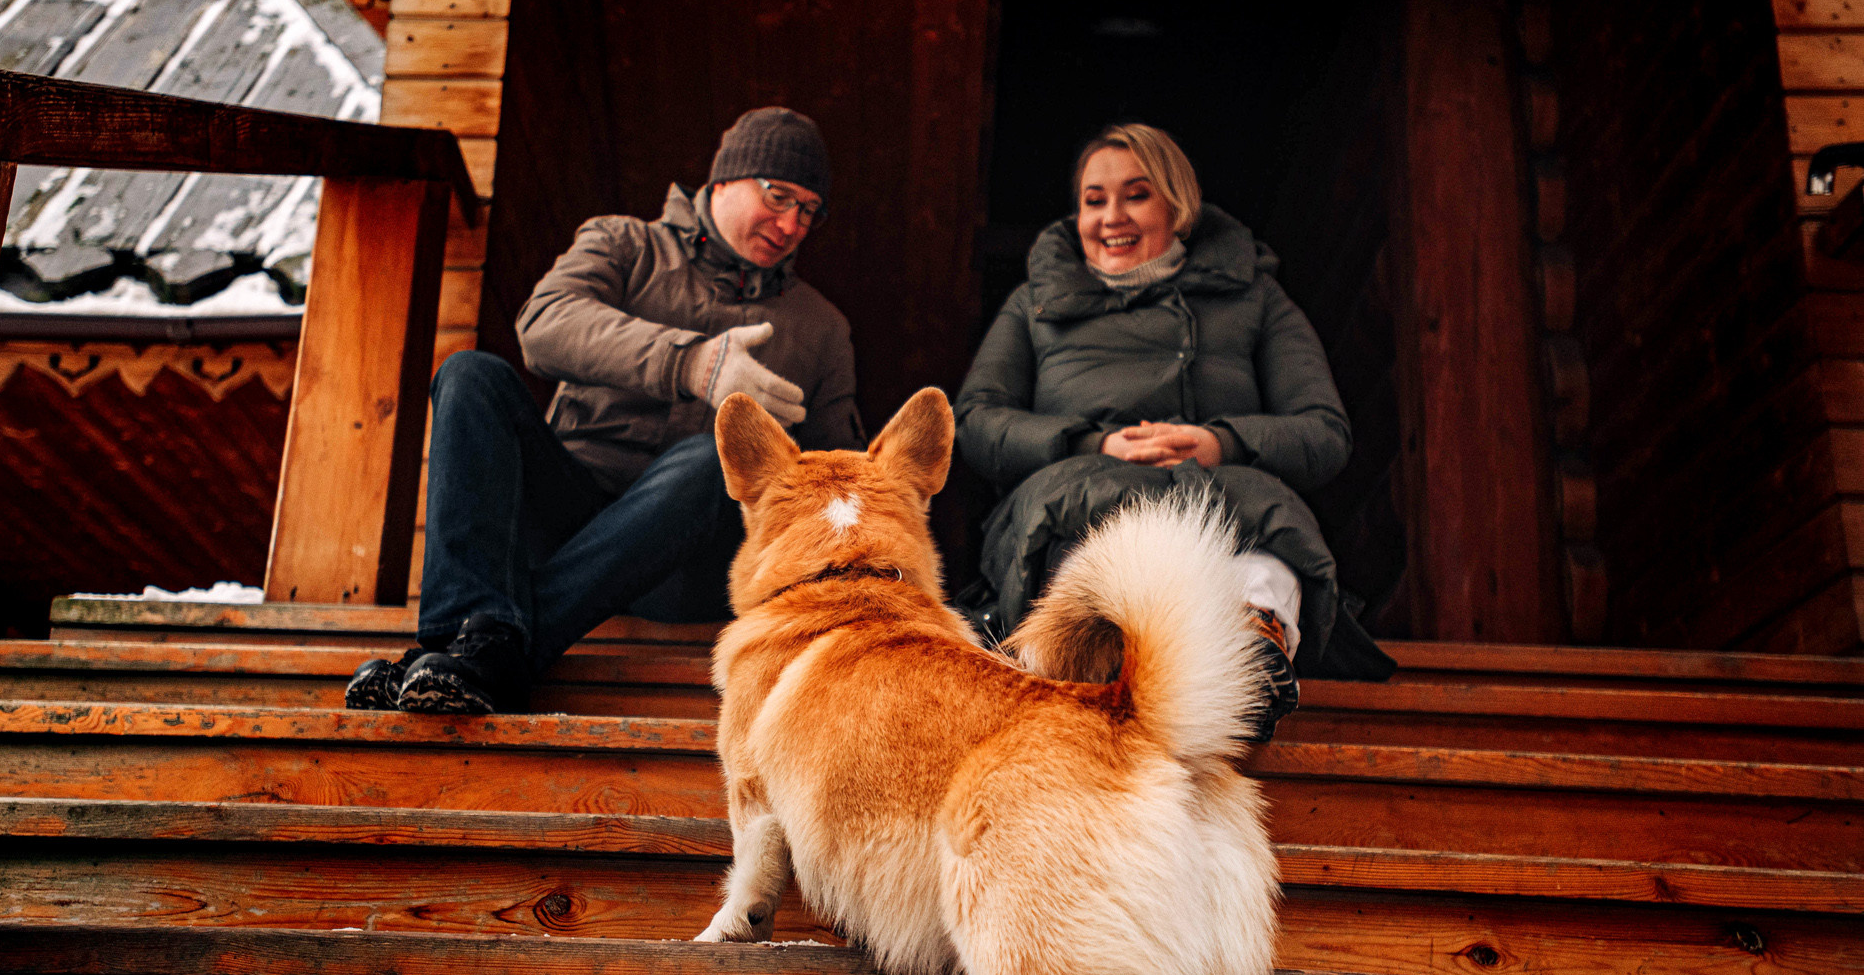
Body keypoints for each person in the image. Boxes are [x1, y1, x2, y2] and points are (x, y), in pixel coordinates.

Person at [346, 107, 863, 714]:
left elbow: (841, 480)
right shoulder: (622, 243)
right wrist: (691, 364)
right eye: (778, 197)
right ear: (723, 180)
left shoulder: (822, 329)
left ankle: (475, 654)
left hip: (682, 564)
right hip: (567, 518)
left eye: (809, 211)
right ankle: (471, 638)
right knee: (470, 374)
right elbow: (543, 326)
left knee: (706, 462)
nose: (791, 224)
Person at [954, 123, 1392, 740]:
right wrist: (1091, 443)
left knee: (1265, 528)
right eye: (1093, 199)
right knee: (1080, 531)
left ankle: (1254, 664)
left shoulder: (1255, 298)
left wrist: (1220, 443)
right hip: (1075, 491)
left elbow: (1323, 432)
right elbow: (975, 421)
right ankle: (1087, 660)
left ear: (1179, 208)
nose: (1111, 217)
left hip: (1216, 485)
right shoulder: (1035, 304)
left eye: (1136, 195)